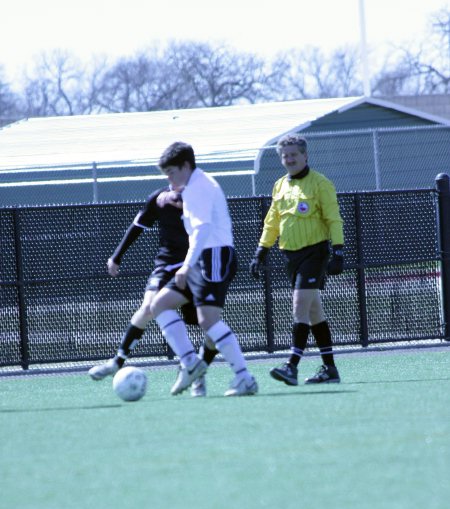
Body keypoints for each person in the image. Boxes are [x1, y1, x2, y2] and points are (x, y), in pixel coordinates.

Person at [88, 183, 218, 397]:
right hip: (166, 266)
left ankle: (196, 371)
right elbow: (138, 226)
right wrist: (116, 256)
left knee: (210, 327)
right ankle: (117, 361)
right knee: (148, 307)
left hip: (195, 268)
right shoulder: (159, 198)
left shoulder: (203, 198)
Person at [150, 141, 258, 397]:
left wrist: (186, 265)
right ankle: (191, 364)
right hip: (202, 259)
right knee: (159, 304)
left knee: (208, 321)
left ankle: (245, 378)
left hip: (214, 256)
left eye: (172, 173)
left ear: (186, 166)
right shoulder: (192, 186)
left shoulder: (199, 187)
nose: (169, 180)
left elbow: (202, 229)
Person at [250, 133, 344, 385]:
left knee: (299, 305)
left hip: (315, 253)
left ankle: (291, 366)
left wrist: (338, 251)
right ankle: (330, 369)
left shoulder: (320, 184)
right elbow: (273, 221)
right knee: (314, 312)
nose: (290, 159)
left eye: (294, 154)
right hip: (291, 256)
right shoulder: (280, 185)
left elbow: (333, 219)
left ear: (305, 156)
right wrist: (261, 250)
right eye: (285, 155)